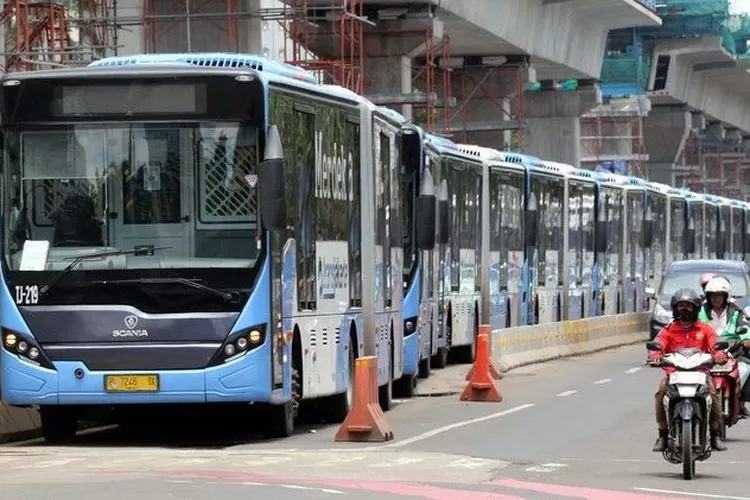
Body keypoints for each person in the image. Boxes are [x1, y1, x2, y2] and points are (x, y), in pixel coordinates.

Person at [648, 287, 728, 453]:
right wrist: (655, 355)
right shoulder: (668, 330)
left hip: (701, 374)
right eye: (681, 305)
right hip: (674, 375)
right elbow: (658, 344)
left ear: (696, 308)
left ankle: (714, 435)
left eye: (688, 305)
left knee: (713, 395)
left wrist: (719, 355)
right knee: (660, 393)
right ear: (675, 308)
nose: (684, 309)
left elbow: (715, 346)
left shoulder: (705, 329)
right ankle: (663, 435)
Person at [699, 275, 750, 416]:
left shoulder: (736, 312)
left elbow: (745, 326)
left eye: (719, 295)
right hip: (706, 353)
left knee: (744, 369)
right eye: (713, 295)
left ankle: (739, 400)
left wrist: (746, 339)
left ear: (725, 296)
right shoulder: (699, 311)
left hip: (733, 352)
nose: (716, 299)